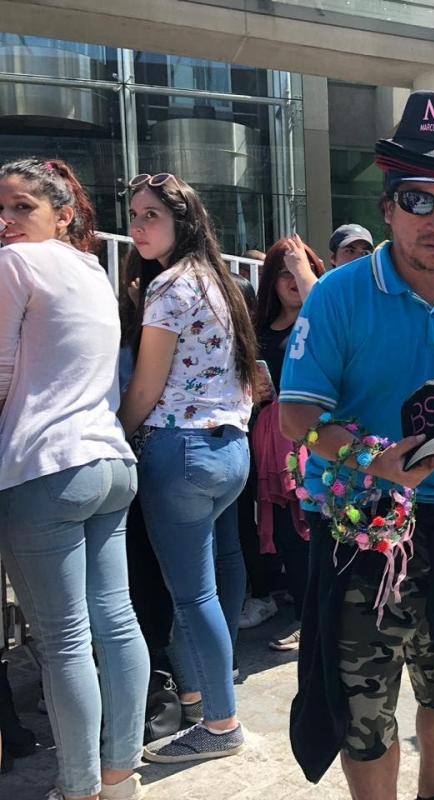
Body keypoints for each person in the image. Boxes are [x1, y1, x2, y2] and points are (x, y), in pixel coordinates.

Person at [280, 89, 434, 800]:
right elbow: (296, 417)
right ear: (388, 207)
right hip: (358, 531)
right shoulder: (339, 295)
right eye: (419, 200)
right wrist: (371, 458)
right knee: (362, 709)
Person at [0, 157, 149, 800]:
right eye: (1, 208)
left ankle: (80, 786)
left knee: (64, 642)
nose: (6, 220)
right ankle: (119, 775)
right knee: (116, 622)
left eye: (21, 207)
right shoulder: (92, 270)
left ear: (63, 215)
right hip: (108, 461)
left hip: (43, 466)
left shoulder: (15, 264)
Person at [118, 172, 257, 762]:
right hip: (230, 451)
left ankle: (219, 722)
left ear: (184, 220)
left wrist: (116, 434)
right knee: (214, 580)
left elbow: (146, 387)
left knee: (193, 596)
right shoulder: (217, 281)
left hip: (181, 452)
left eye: (151, 214)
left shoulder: (170, 286)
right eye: (134, 214)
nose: (138, 226)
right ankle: (204, 698)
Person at [249, 235, 325, 651]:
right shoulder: (259, 331)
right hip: (270, 445)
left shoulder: (319, 318)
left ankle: (313, 615)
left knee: (310, 528)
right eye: (283, 274)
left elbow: (327, 311)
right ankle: (301, 610)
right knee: (284, 530)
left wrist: (304, 271)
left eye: (299, 270)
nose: (292, 281)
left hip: (317, 439)